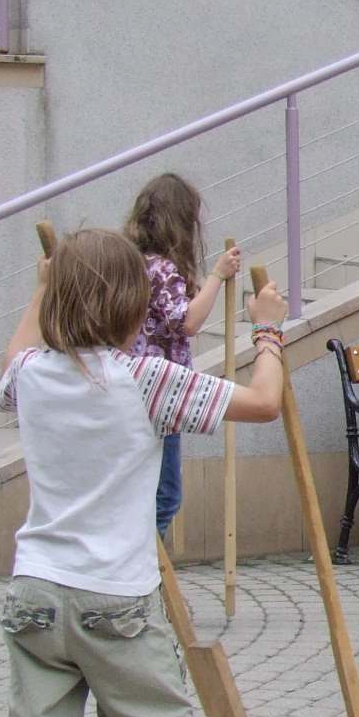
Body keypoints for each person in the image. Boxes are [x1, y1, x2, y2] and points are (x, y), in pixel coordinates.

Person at [0, 228, 293, 717]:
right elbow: (263, 403)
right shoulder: (146, 379)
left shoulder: (33, 375)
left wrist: (41, 287)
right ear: (134, 306)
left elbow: (12, 357)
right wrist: (267, 330)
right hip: (117, 597)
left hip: (36, 593)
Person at [123, 172, 242, 538]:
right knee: (165, 498)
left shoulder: (133, 262)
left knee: (148, 493)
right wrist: (218, 276)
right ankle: (145, 564)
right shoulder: (162, 268)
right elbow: (187, 321)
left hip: (133, 387)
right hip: (159, 392)